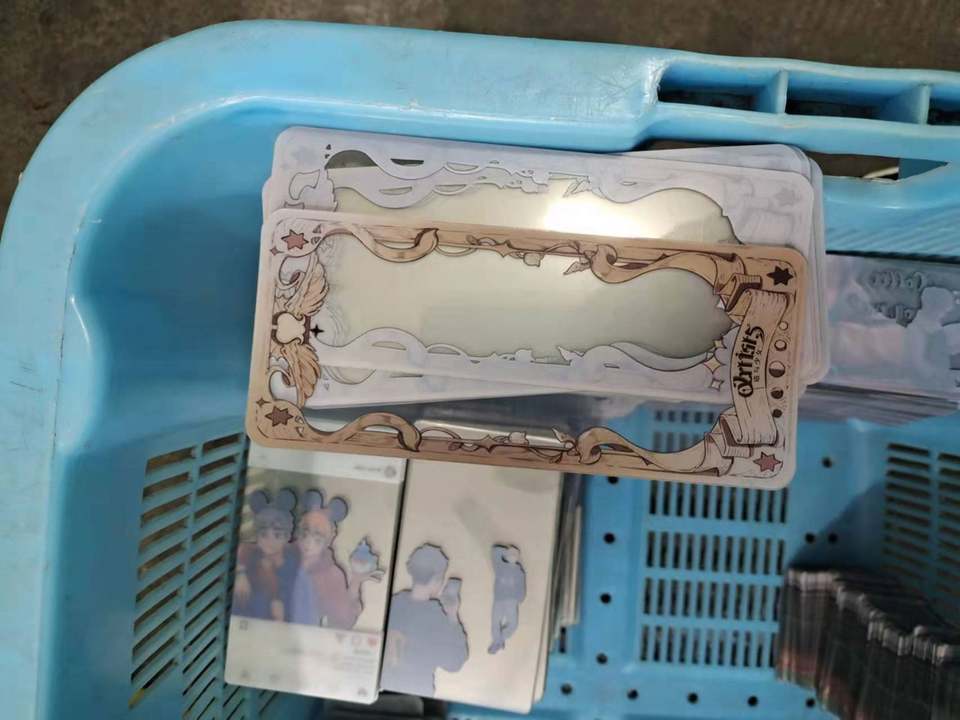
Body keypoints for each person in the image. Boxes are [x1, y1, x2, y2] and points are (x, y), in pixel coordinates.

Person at [285, 489, 382, 630]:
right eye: (304, 535)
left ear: (328, 541)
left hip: (303, 635)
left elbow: (341, 621)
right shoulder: (281, 556)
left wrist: (356, 582)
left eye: (317, 540)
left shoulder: (332, 575)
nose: (308, 544)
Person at [381, 544, 468, 697]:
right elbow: (455, 662)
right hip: (416, 693)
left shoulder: (392, 603)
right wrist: (452, 616)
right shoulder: (435, 616)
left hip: (384, 688)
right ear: (436, 579)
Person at [232, 489, 297, 621]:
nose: (269, 541)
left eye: (277, 535)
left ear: (287, 537)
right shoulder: (251, 555)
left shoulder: (292, 564)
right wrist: (241, 574)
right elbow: (243, 548)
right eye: (263, 534)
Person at [488, 544, 526, 654]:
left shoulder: (519, 572)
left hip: (511, 601)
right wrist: (505, 552)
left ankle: (499, 641)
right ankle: (498, 642)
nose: (512, 557)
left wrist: (519, 598)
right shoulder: (500, 567)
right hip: (499, 599)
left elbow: (522, 587)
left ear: (517, 558)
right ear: (506, 556)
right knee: (495, 622)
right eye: (510, 555)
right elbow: (495, 551)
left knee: (513, 624)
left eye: (515, 556)